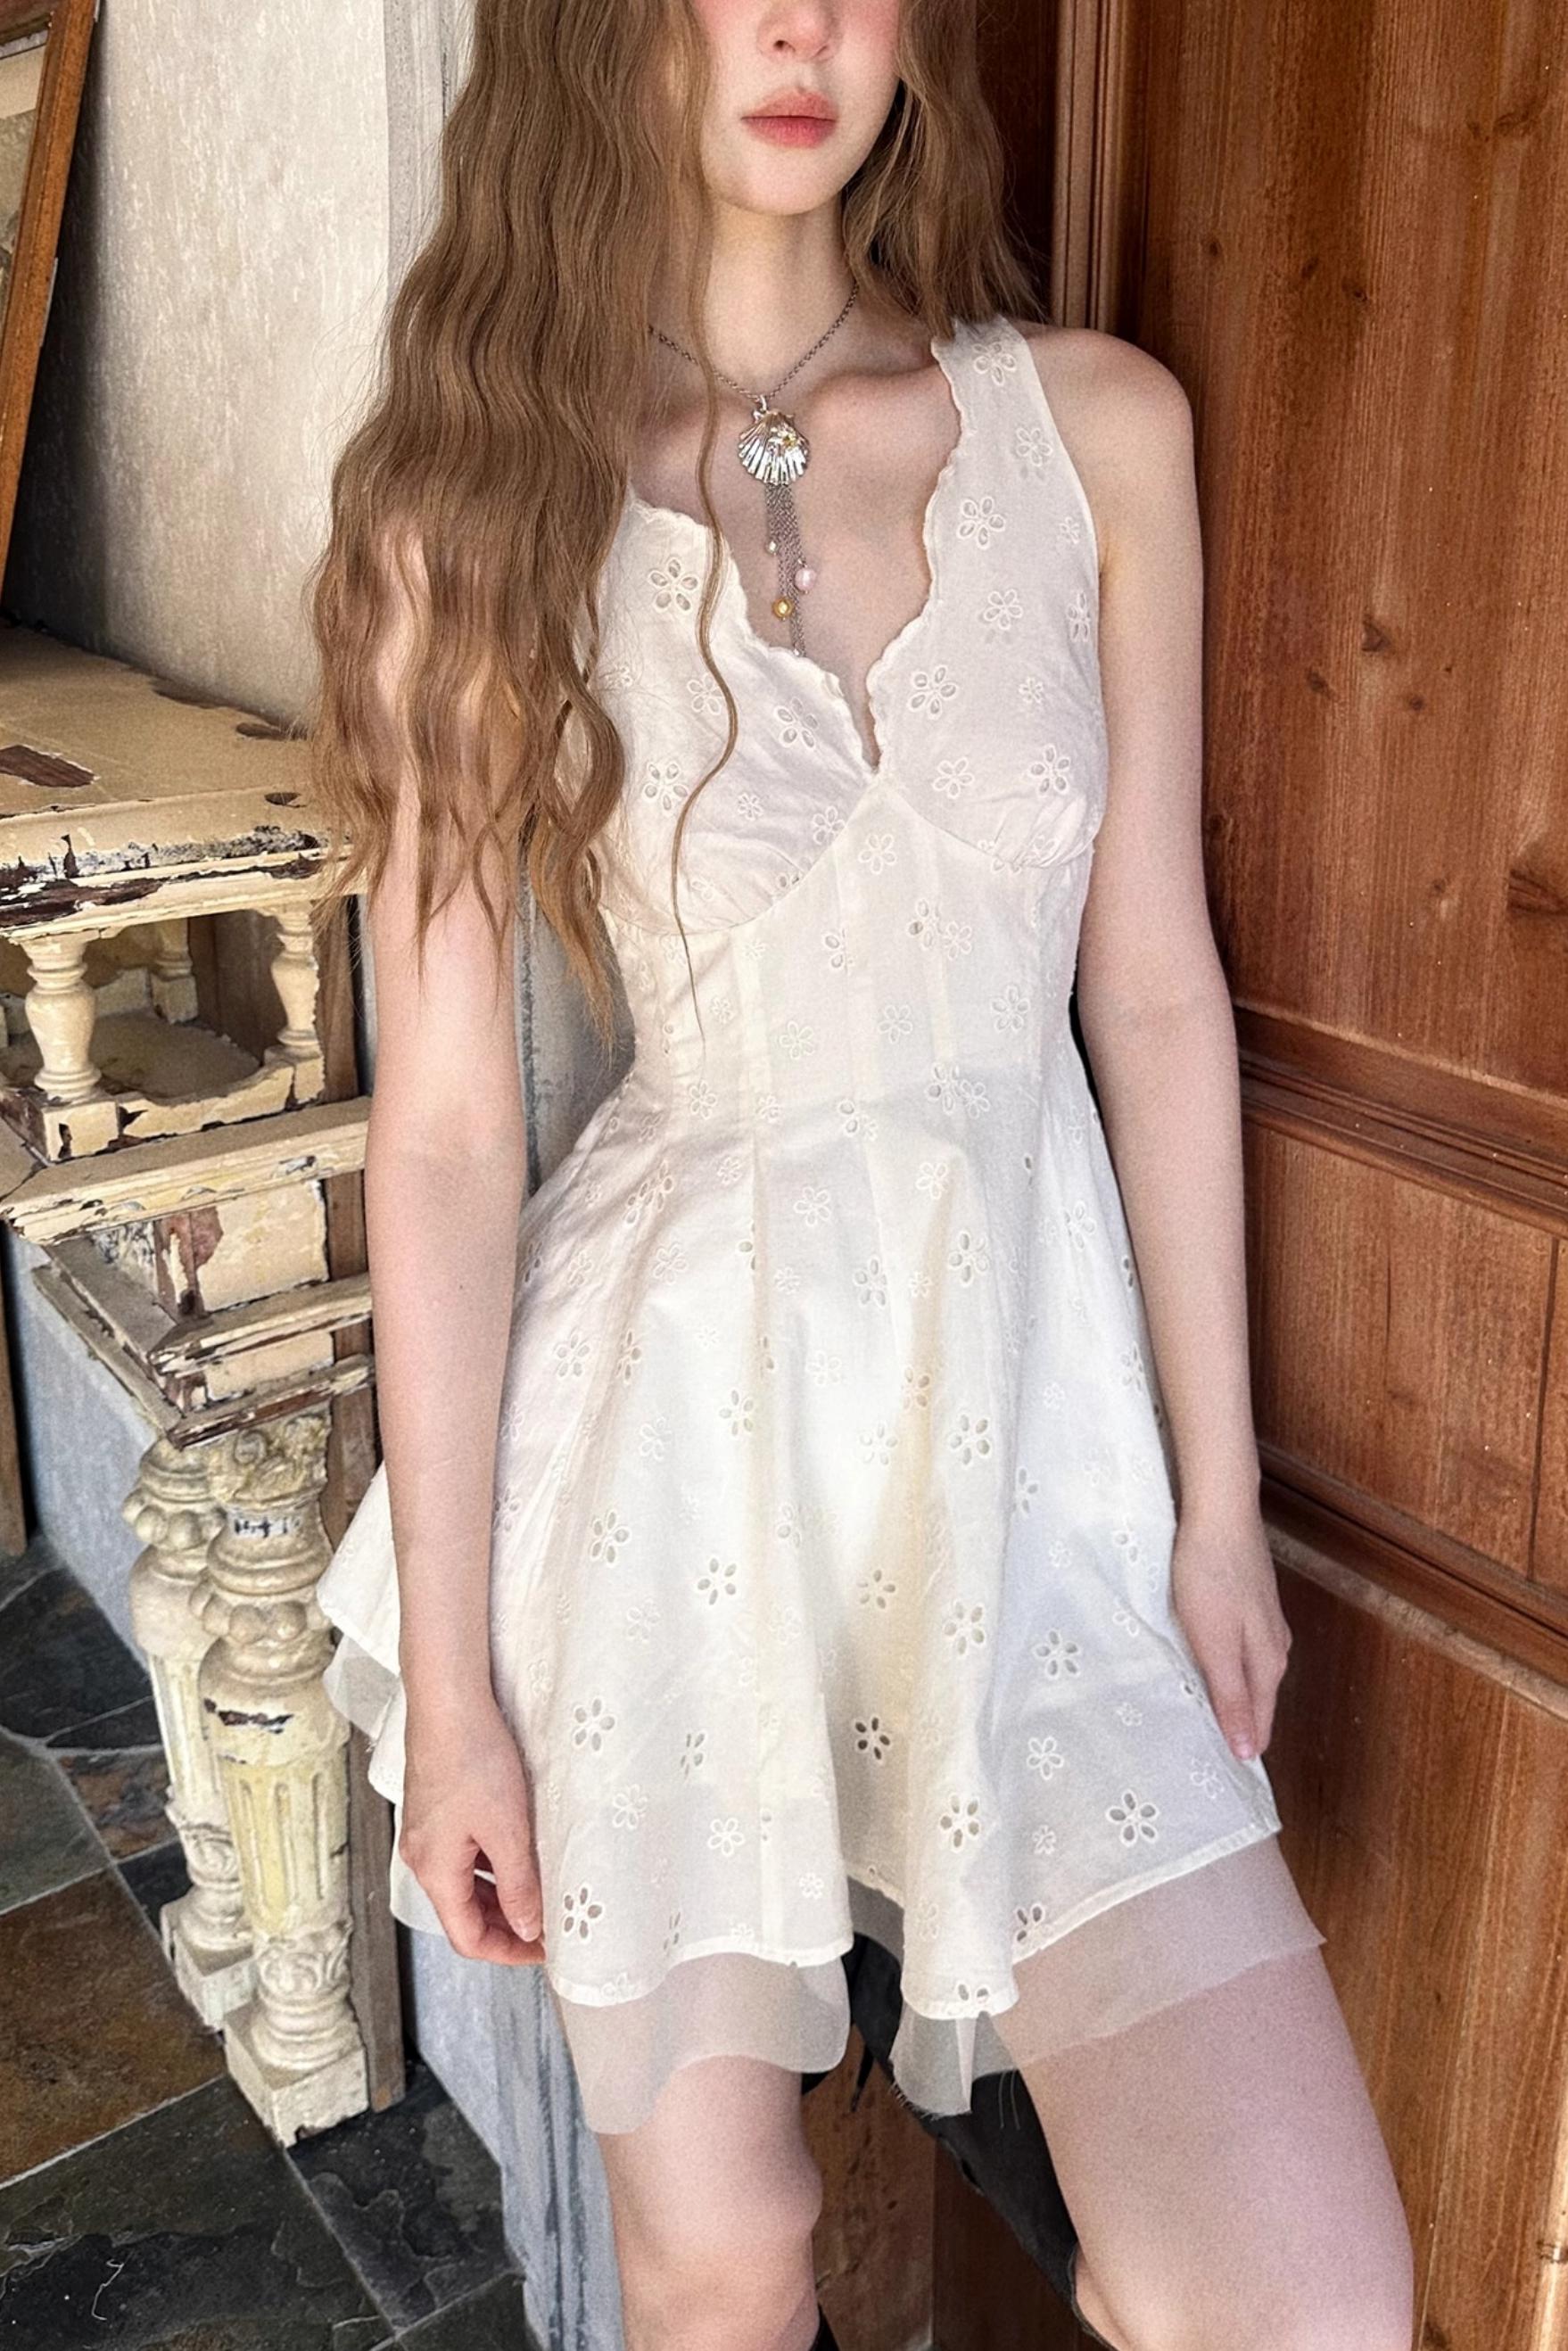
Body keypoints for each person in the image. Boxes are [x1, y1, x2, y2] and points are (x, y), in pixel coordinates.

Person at [303, 4, 1415, 2347]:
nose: (799, 22)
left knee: (1298, 2294)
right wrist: (465, 1699)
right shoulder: (474, 502)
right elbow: (449, 1131)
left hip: (1041, 1466)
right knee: (726, 2260)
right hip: (667, 1465)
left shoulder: (1095, 431)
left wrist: (1217, 1504)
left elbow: (1157, 993)